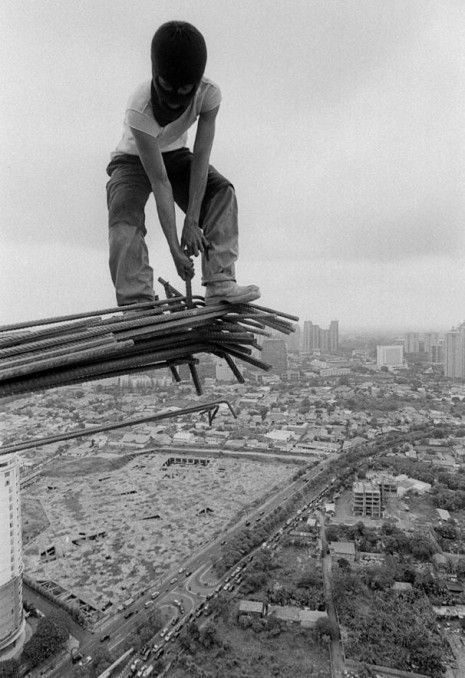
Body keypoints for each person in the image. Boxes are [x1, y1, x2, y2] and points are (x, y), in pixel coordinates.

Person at [106, 20, 260, 307]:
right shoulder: (139, 109)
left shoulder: (209, 95)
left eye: (184, 90)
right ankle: (137, 302)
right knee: (124, 215)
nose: (175, 101)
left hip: (176, 155)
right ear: (156, 75)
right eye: (166, 87)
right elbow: (159, 181)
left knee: (222, 192)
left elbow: (201, 158)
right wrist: (175, 248)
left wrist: (192, 219)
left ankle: (220, 282)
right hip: (132, 159)